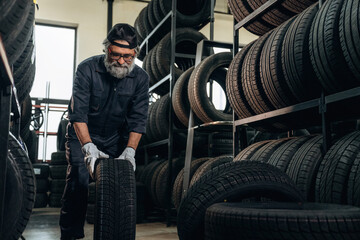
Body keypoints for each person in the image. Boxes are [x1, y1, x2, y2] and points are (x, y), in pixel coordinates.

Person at [59, 23, 149, 240]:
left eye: (127, 57)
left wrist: (130, 151)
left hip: (114, 137)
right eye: (116, 54)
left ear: (134, 54)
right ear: (107, 49)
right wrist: (88, 147)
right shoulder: (86, 69)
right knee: (79, 179)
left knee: (118, 183)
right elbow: (78, 114)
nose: (121, 61)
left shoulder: (141, 78)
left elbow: (138, 120)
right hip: (83, 134)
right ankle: (70, 235)